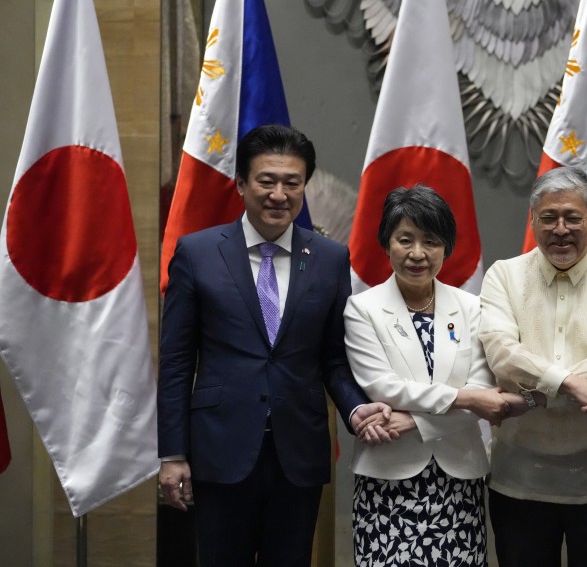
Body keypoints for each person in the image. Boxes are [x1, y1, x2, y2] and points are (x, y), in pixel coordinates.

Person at [157, 124, 390, 566]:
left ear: (304, 187)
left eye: (292, 182)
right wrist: (172, 454)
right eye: (266, 181)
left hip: (296, 454)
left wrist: (357, 409)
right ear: (242, 184)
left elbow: (334, 359)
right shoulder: (198, 253)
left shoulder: (329, 258)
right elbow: (175, 362)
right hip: (220, 449)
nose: (279, 194)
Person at [479, 166, 587, 567]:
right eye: (549, 218)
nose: (561, 229)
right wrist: (571, 385)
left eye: (573, 217)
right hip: (520, 480)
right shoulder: (503, 276)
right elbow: (502, 353)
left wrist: (534, 394)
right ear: (532, 220)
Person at [343, 185, 520, 566]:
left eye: (431, 241)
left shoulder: (472, 307)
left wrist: (413, 421)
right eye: (405, 240)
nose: (418, 254)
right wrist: (465, 398)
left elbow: (482, 389)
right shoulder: (362, 309)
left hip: (458, 482)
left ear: (447, 247)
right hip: (387, 482)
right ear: (387, 243)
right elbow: (383, 388)